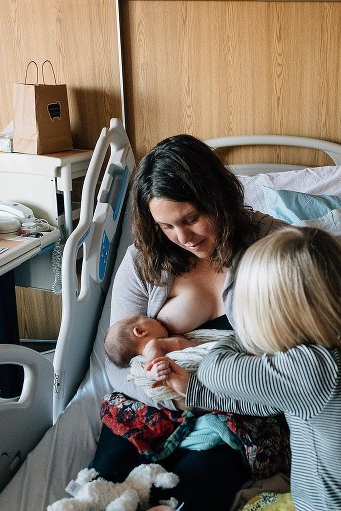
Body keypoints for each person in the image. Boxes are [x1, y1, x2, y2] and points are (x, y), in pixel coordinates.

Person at [89, 134, 285, 510]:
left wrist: (201, 393)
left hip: (233, 412)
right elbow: (119, 362)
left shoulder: (273, 247)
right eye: (166, 226)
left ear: (218, 198)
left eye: (191, 219)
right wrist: (176, 397)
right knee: (101, 488)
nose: (183, 238)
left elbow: (288, 362)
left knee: (189, 493)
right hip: (150, 405)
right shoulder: (144, 260)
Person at [148, 226, 341, 511]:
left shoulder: (312, 368)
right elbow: (264, 404)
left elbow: (214, 369)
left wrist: (237, 335)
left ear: (274, 313)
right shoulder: (335, 355)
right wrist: (194, 391)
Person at [104, 314, 196, 368]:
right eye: (146, 318)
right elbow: (152, 363)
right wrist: (151, 371)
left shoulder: (162, 343)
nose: (155, 319)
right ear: (140, 332)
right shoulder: (152, 346)